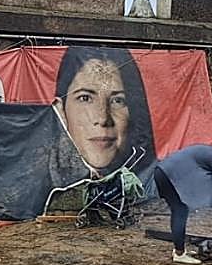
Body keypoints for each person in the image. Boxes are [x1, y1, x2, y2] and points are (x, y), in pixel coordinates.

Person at [52, 46, 155, 177]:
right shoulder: (33, 186)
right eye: (85, 98)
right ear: (60, 110)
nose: (103, 118)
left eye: (117, 100)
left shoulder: (157, 182)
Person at [154, 141, 212, 264]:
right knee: (180, 211)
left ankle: (179, 249)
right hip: (167, 176)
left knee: (180, 209)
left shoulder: (210, 152)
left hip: (162, 172)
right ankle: (179, 253)